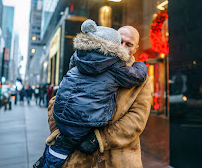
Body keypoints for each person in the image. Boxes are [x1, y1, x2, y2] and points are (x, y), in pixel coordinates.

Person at [36, 23, 152, 168]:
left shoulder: (142, 80)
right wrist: (60, 131)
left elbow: (136, 119)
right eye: (120, 41)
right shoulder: (87, 64)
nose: (122, 47)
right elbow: (57, 100)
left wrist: (100, 139)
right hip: (78, 159)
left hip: (118, 160)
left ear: (136, 48)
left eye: (129, 44)